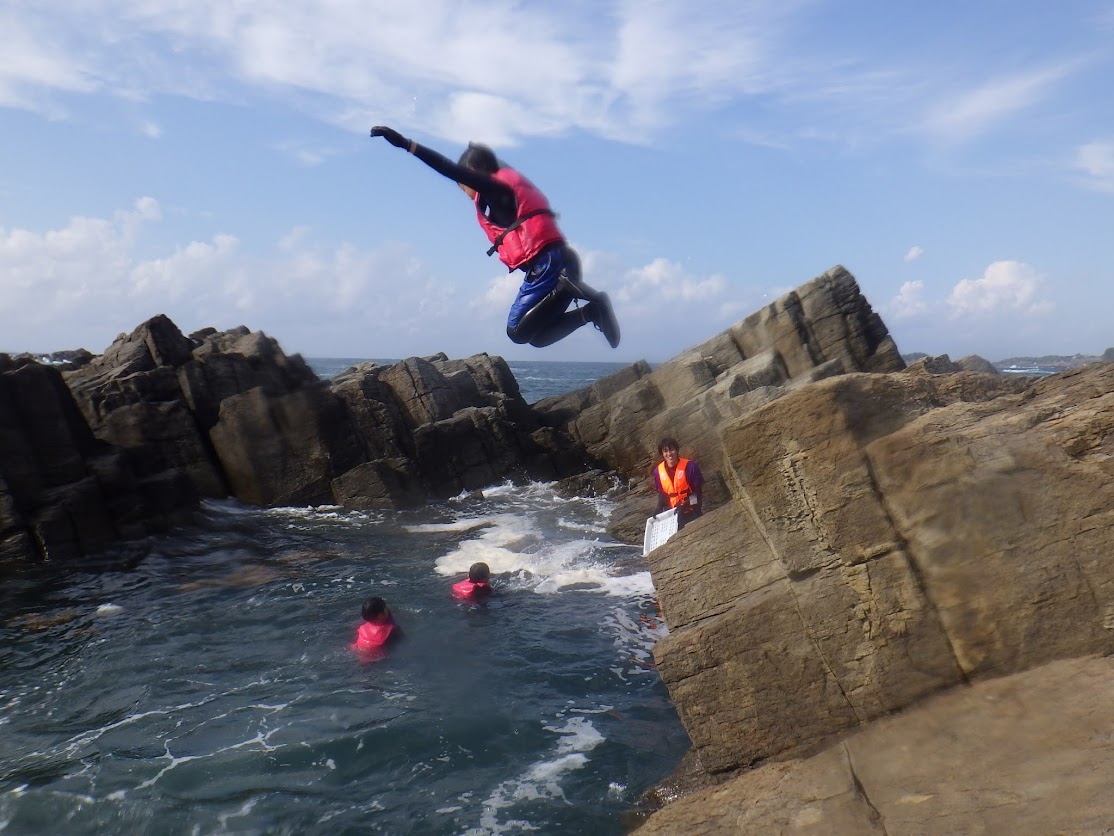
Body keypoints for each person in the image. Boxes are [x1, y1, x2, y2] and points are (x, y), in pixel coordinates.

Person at [368, 126, 620, 350]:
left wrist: (406, 144)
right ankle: (590, 313)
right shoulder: (504, 189)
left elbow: (448, 168)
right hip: (558, 261)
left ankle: (566, 289)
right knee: (536, 337)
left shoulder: (496, 190)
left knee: (516, 331)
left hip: (550, 265)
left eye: (462, 182)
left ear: (473, 173)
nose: (462, 189)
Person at [653, 437, 704, 530]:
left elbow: (697, 495)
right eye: (665, 451)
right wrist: (659, 508)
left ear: (676, 450)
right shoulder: (658, 471)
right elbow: (662, 493)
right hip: (672, 515)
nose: (669, 454)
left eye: (671, 449)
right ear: (662, 454)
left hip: (691, 512)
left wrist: (684, 506)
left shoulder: (690, 467)